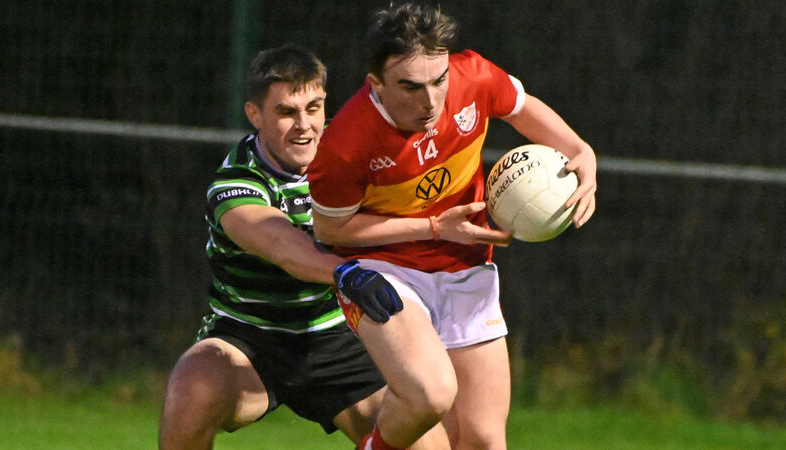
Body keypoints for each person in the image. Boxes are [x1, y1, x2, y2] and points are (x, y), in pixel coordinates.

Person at [307, 3, 598, 450]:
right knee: (431, 392)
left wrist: (581, 150)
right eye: (410, 86)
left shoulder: (473, 76)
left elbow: (521, 107)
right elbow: (332, 232)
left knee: (484, 439)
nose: (430, 100)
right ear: (376, 84)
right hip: (384, 270)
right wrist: (432, 227)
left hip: (465, 263)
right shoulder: (346, 144)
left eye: (438, 80)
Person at [158, 44, 447, 450]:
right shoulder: (236, 180)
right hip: (250, 336)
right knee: (193, 386)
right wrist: (344, 273)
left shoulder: (352, 158)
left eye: (314, 108)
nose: (304, 125)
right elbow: (281, 244)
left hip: (337, 334)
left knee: (428, 443)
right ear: (255, 114)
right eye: (286, 112)